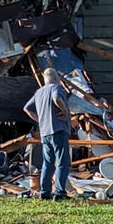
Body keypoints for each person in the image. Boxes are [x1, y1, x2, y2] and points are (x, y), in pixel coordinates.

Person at [24, 68, 72, 200]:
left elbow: (27, 108)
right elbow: (56, 98)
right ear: (56, 77)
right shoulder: (56, 87)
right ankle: (59, 192)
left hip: (45, 132)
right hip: (58, 130)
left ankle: (45, 192)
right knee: (62, 161)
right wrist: (65, 111)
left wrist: (40, 119)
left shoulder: (39, 92)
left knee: (48, 162)